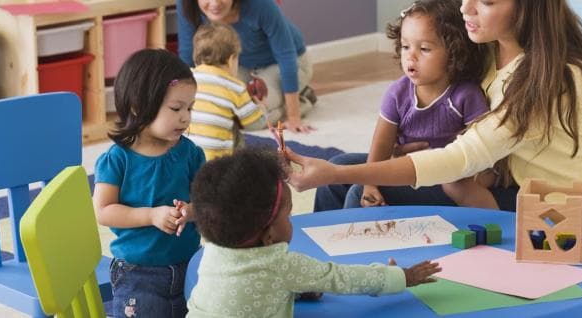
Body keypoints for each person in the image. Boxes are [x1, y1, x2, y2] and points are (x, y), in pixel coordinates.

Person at [286, 0, 582, 216]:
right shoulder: (487, 50)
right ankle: (318, 273)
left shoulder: (553, 78)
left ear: (526, 6)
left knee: (356, 187)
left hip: (554, 210)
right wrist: (383, 159)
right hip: (501, 180)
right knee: (345, 169)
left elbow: (461, 158)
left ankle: (357, 278)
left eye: (484, 0)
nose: (465, 7)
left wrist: (340, 173)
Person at [186, 150, 441, 318]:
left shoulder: (212, 250)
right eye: (287, 216)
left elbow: (246, 288)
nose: (291, 220)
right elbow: (343, 278)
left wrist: (296, 289)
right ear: (269, 236)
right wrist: (401, 276)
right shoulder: (281, 265)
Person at [314, 0, 500, 212]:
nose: (410, 56)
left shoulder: (465, 96)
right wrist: (370, 183)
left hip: (445, 178)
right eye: (405, 46)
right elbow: (381, 146)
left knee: (358, 194)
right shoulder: (397, 93)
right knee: (336, 168)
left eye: (424, 49)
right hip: (406, 166)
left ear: (454, 54)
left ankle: (351, 244)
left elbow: (486, 152)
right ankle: (317, 240)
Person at [93, 48, 206, 318]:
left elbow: (209, 200)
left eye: (190, 108)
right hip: (138, 273)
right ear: (138, 106)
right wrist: (151, 215)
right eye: (176, 108)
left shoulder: (190, 153)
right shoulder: (117, 159)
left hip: (192, 265)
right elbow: (103, 210)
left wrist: (191, 212)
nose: (185, 117)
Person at [177, 0, 315, 133]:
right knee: (222, 111)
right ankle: (286, 97)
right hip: (237, 66)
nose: (214, 3)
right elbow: (187, 54)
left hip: (284, 64)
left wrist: (293, 117)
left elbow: (286, 54)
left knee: (251, 119)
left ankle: (302, 100)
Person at [188, 23, 268, 160]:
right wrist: (262, 108)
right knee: (237, 133)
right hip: (218, 164)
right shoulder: (235, 86)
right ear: (232, 60)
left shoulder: (187, 78)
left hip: (187, 159)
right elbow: (255, 124)